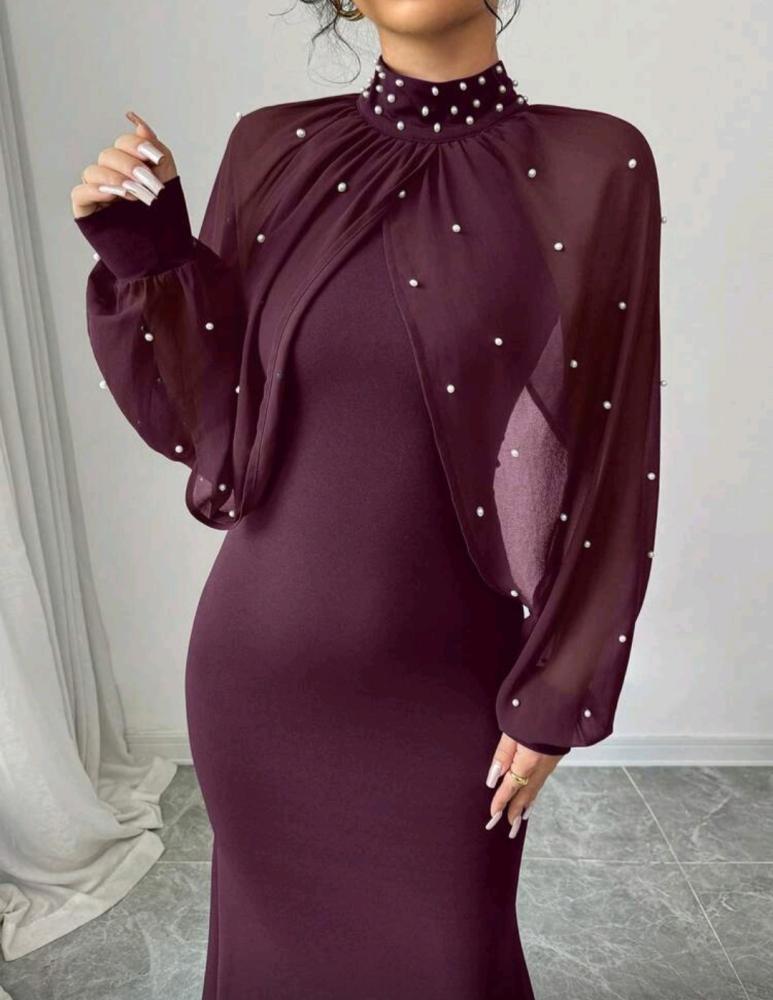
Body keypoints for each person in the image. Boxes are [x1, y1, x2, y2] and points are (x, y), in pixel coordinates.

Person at [71, 1, 662, 996]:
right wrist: (150, 256)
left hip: (450, 682)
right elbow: (219, 427)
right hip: (260, 675)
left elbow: (613, 452)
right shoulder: (273, 149)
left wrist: (559, 688)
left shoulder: (597, 165)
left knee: (449, 966)